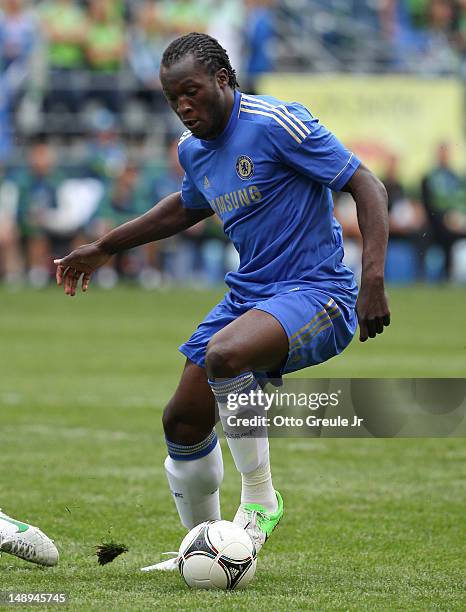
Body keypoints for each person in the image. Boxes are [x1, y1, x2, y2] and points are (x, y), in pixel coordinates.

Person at [54, 33, 390, 570]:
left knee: (225, 356)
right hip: (251, 295)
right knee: (183, 421)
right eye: (173, 99)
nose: (184, 107)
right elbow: (186, 208)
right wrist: (105, 247)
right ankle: (205, 548)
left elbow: (367, 186)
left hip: (319, 292)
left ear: (224, 80)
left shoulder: (277, 123)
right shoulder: (193, 150)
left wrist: (372, 277)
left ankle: (259, 500)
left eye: (192, 92)